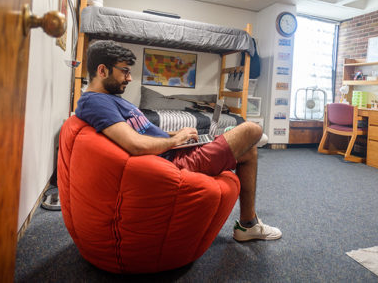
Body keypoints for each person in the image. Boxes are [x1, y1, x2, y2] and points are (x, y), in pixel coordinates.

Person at [75, 40, 281, 242]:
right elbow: (135, 145)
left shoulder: (112, 99)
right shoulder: (95, 101)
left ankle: (248, 225)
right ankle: (251, 141)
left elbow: (141, 132)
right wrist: (175, 142)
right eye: (124, 71)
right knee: (252, 129)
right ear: (102, 71)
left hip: (177, 151)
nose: (129, 78)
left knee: (250, 151)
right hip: (174, 162)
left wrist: (175, 135)